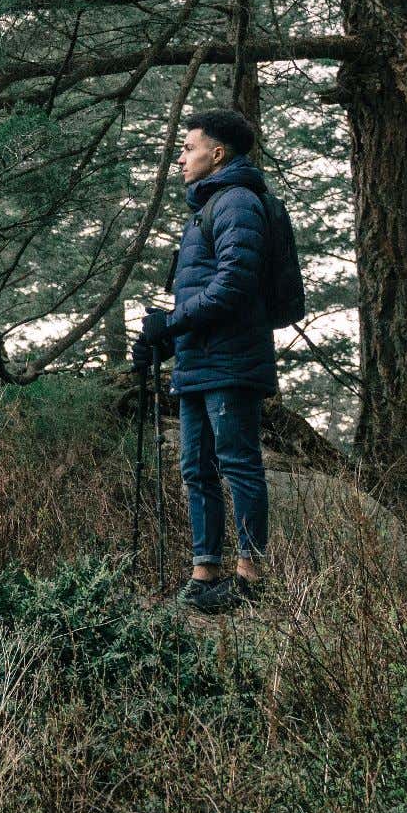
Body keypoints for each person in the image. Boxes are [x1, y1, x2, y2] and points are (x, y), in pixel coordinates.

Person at [134, 109, 278, 613]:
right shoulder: (207, 208)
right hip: (199, 362)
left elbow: (235, 284)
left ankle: (250, 577)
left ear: (217, 154)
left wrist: (171, 323)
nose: (180, 158)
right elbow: (203, 294)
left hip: (232, 362)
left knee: (237, 463)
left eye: (188, 148)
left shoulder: (237, 201)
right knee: (196, 468)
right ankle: (204, 575)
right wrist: (164, 341)